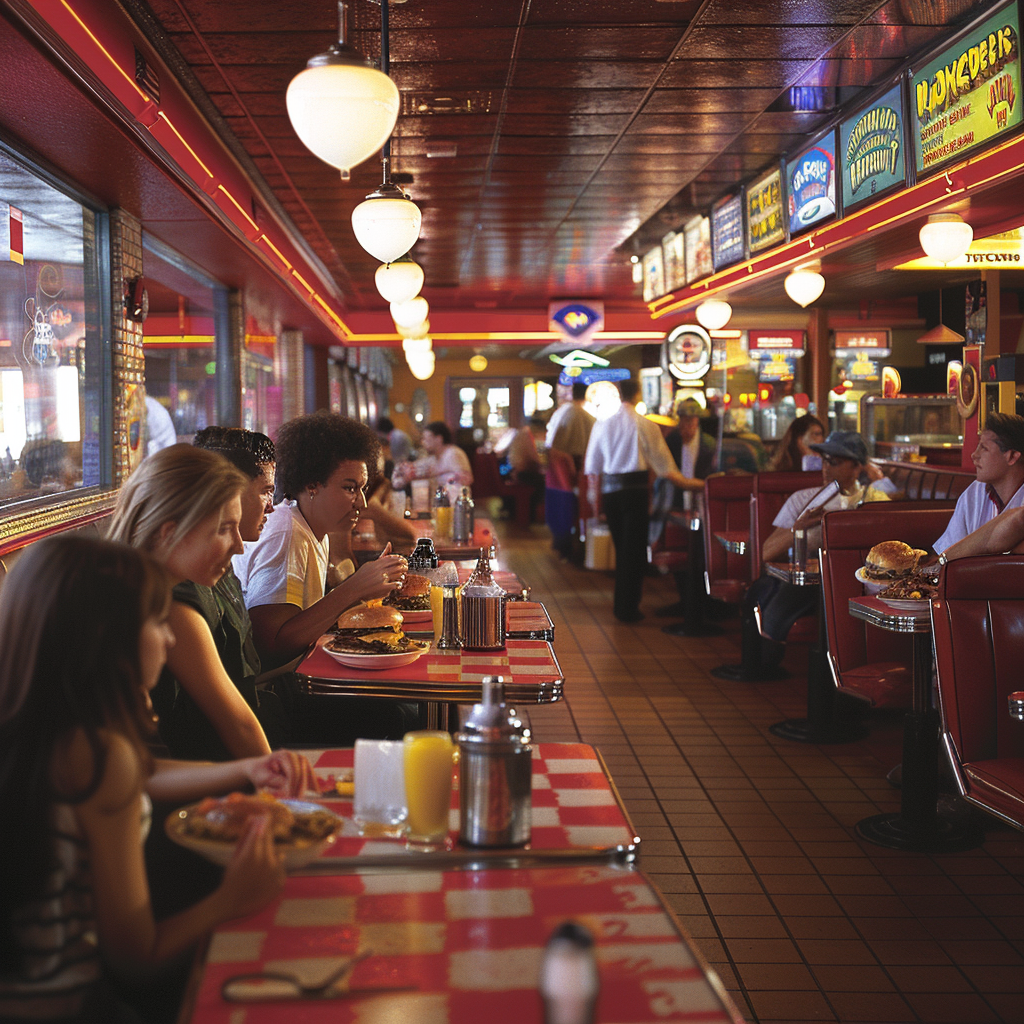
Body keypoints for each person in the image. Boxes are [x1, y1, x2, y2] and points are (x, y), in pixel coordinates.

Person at [0, 534, 316, 1022]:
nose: (169, 640)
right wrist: (231, 898)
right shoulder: (101, 759)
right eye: (156, 622)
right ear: (109, 636)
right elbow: (137, 958)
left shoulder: (44, 731)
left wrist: (244, 768)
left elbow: (141, 776)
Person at [108, 445, 274, 761]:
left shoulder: (150, 593)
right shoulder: (171, 610)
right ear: (169, 533)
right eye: (225, 529)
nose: (239, 547)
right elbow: (238, 726)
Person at [715, 430, 890, 680]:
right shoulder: (804, 499)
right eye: (824, 460)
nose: (826, 468)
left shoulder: (875, 501)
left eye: (835, 462)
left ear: (857, 467)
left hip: (852, 585)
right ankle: (762, 664)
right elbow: (766, 552)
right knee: (772, 589)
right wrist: (801, 525)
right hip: (806, 584)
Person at [583, 378, 696, 623]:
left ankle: (622, 607)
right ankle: (627, 608)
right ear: (638, 394)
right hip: (635, 492)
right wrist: (698, 484)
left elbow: (592, 468)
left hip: (610, 492)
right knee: (632, 553)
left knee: (621, 549)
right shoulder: (644, 424)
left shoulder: (602, 424)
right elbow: (667, 469)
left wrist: (594, 505)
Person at [653, 398, 719, 626]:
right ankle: (685, 600)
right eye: (682, 419)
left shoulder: (710, 443)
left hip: (702, 507)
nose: (686, 425)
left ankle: (701, 604)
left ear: (698, 420)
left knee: (700, 554)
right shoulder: (671, 441)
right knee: (679, 550)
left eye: (690, 419)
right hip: (676, 505)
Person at [933, 412, 1024, 554]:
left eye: (984, 448)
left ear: (1012, 456)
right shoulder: (975, 492)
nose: (974, 455)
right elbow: (948, 551)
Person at [545, 381, 595, 560]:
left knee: (564, 509)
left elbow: (552, 447)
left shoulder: (562, 413)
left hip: (562, 470)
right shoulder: (589, 417)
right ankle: (573, 547)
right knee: (577, 510)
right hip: (576, 468)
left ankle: (564, 545)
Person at [392, 420, 473, 493]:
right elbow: (411, 471)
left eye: (426, 439)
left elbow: (465, 480)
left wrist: (436, 477)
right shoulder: (432, 458)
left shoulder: (453, 454)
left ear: (438, 439)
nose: (423, 443)